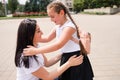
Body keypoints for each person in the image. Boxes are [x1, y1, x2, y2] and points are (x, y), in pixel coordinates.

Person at [23, 1, 94, 80]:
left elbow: (58, 45)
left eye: (52, 16)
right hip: (66, 57)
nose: (51, 20)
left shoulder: (69, 27)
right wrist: (28, 37)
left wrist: (35, 51)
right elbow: (47, 38)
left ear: (61, 13)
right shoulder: (58, 27)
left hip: (76, 57)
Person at [15, 19, 83, 80]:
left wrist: (64, 54)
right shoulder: (27, 55)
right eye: (38, 31)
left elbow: (47, 63)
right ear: (30, 36)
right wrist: (69, 63)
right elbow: (48, 77)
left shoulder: (35, 47)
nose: (42, 33)